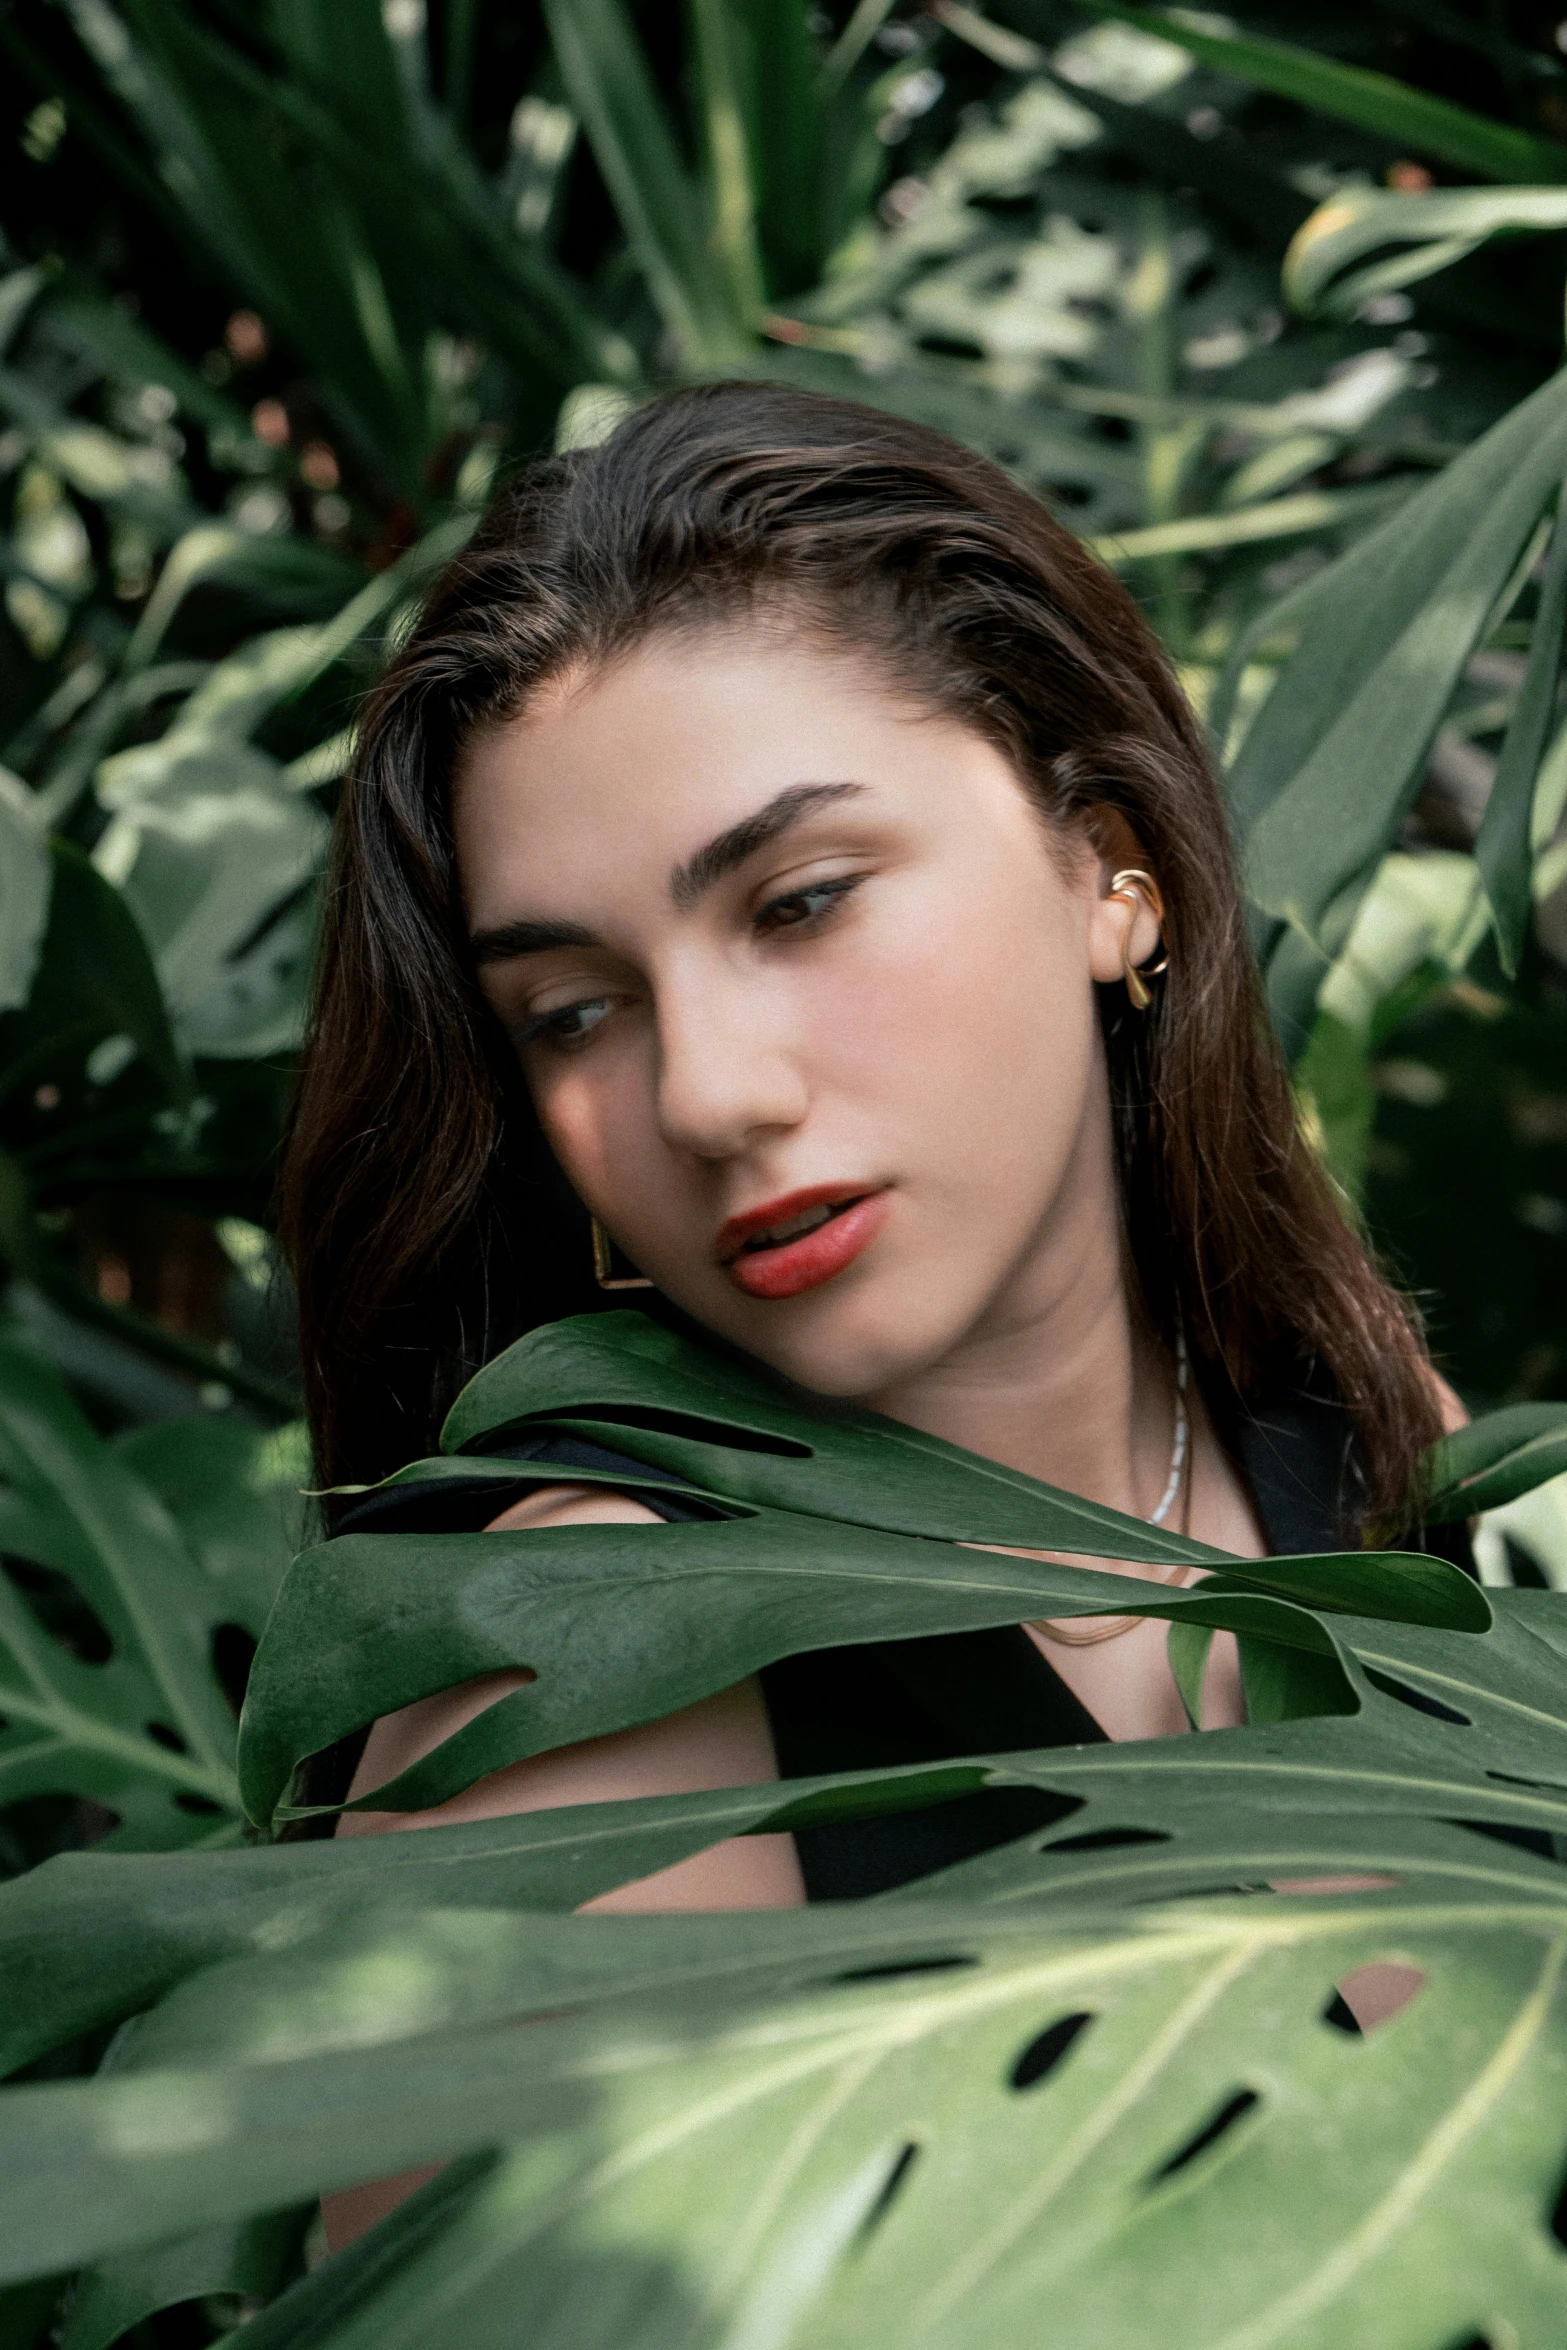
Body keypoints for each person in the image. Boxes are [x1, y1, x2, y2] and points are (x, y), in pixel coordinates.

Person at [276, 384, 1467, 2240]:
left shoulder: (1366, 1444)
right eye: (573, 1010)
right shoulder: (587, 1674)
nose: (706, 1096)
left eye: (801, 900)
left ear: (1105, 871)